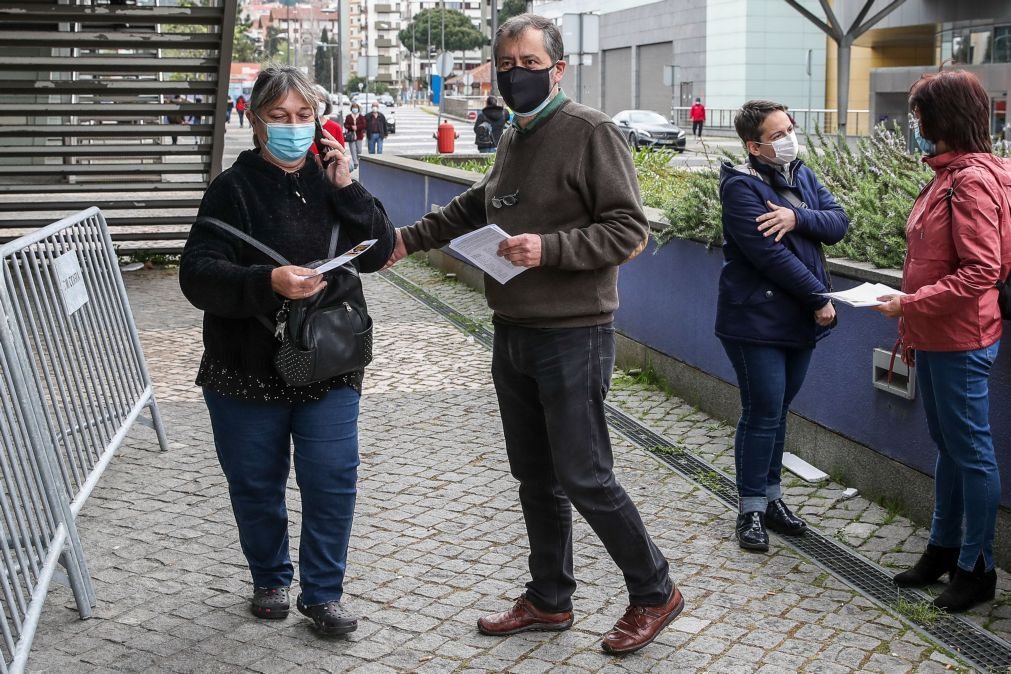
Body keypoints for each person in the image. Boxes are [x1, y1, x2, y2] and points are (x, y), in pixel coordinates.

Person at [385, 14, 682, 655]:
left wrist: (547, 249)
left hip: (574, 333)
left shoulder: (590, 132)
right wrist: (407, 239)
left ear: (558, 67)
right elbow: (479, 204)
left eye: (528, 61)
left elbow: (630, 230)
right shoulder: (516, 135)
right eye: (506, 62)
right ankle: (550, 598)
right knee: (534, 476)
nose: (516, 72)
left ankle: (654, 590)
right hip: (513, 329)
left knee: (585, 475)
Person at [179, 64, 395, 636]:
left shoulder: (335, 181)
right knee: (255, 481)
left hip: (329, 361)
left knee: (332, 478)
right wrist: (267, 282)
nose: (293, 127)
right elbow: (196, 275)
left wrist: (347, 184)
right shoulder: (231, 188)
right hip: (245, 365)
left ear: (320, 121)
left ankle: (323, 595)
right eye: (279, 117)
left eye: (304, 116)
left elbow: (379, 252)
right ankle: (271, 576)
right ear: (255, 122)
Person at [875, 70, 1010, 613]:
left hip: (961, 338)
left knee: (971, 452)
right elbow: (927, 261)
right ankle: (943, 549)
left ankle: (977, 568)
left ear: (942, 117)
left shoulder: (971, 180)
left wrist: (910, 305)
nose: (914, 124)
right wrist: (910, 324)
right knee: (950, 449)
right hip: (934, 335)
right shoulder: (945, 175)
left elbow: (982, 270)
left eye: (918, 114)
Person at [717, 100, 848, 552]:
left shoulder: (802, 176)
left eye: (789, 128)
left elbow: (838, 223)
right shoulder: (740, 187)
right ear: (754, 146)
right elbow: (768, 255)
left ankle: (772, 499)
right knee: (762, 410)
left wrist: (797, 217)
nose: (789, 137)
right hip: (755, 320)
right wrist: (818, 297)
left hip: (796, 320)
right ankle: (750, 508)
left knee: (777, 411)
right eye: (778, 134)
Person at [310, 85, 345, 156]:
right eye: (314, 100)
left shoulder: (336, 127)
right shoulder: (301, 127)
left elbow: (342, 155)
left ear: (327, 104)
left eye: (321, 101)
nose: (318, 104)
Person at [344, 103, 366, 170]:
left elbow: (364, 125)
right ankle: (355, 162)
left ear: (358, 109)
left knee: (359, 150)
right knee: (353, 150)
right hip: (351, 136)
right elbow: (345, 125)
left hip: (359, 135)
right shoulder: (348, 116)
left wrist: (357, 127)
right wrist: (351, 127)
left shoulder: (361, 117)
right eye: (353, 107)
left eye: (356, 108)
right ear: (351, 109)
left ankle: (357, 158)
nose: (355, 109)